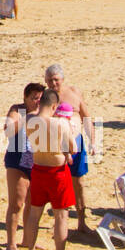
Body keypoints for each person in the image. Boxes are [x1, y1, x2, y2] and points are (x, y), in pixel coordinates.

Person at [19, 89, 79, 250]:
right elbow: (73, 148)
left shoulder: (29, 121)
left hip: (38, 168)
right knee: (61, 216)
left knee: (34, 214)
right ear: (54, 106)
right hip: (57, 171)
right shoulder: (60, 124)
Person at [44, 64, 93, 234]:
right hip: (55, 146)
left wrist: (93, 140)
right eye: (49, 80)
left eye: (56, 79)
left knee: (78, 183)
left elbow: (86, 117)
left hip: (77, 143)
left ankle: (81, 221)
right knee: (58, 184)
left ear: (62, 79)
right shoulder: (45, 98)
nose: (53, 83)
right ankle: (59, 222)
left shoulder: (74, 92)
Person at [3, 83, 45, 250]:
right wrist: (26, 119)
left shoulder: (44, 112)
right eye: (34, 98)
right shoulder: (18, 110)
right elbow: (7, 130)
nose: (37, 102)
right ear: (25, 98)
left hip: (36, 161)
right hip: (17, 161)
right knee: (17, 202)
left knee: (32, 203)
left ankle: (28, 240)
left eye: (40, 98)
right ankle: (11, 243)